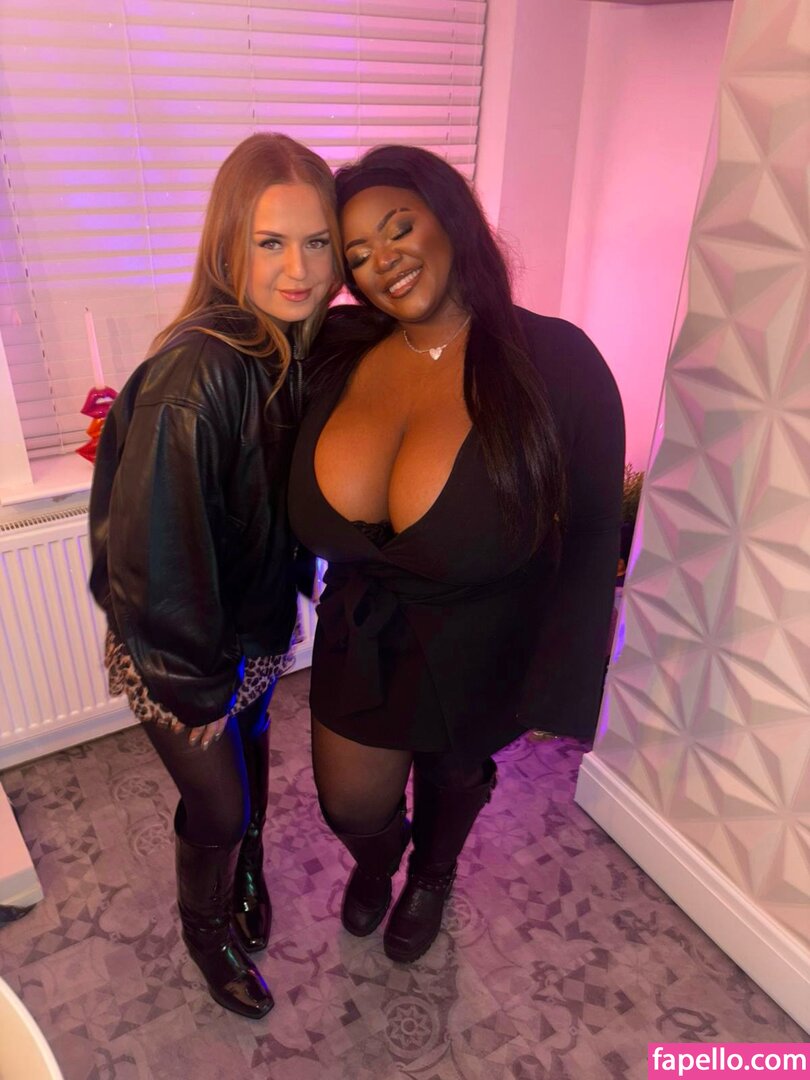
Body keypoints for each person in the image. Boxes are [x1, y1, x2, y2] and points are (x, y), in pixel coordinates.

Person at [289, 144, 625, 964]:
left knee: (452, 779)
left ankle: (432, 875)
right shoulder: (335, 351)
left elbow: (591, 536)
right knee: (351, 805)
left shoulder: (557, 360)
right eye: (357, 253)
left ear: (451, 217)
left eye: (398, 228)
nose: (381, 261)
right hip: (363, 635)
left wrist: (558, 685)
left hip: (485, 636)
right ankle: (381, 860)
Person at [88, 133, 341, 1017]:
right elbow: (154, 562)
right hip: (182, 652)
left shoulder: (288, 346)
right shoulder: (200, 372)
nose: (299, 268)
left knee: (256, 749)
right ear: (229, 244)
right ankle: (206, 929)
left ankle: (248, 874)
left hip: (251, 626)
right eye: (272, 242)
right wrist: (197, 693)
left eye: (317, 241)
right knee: (219, 805)